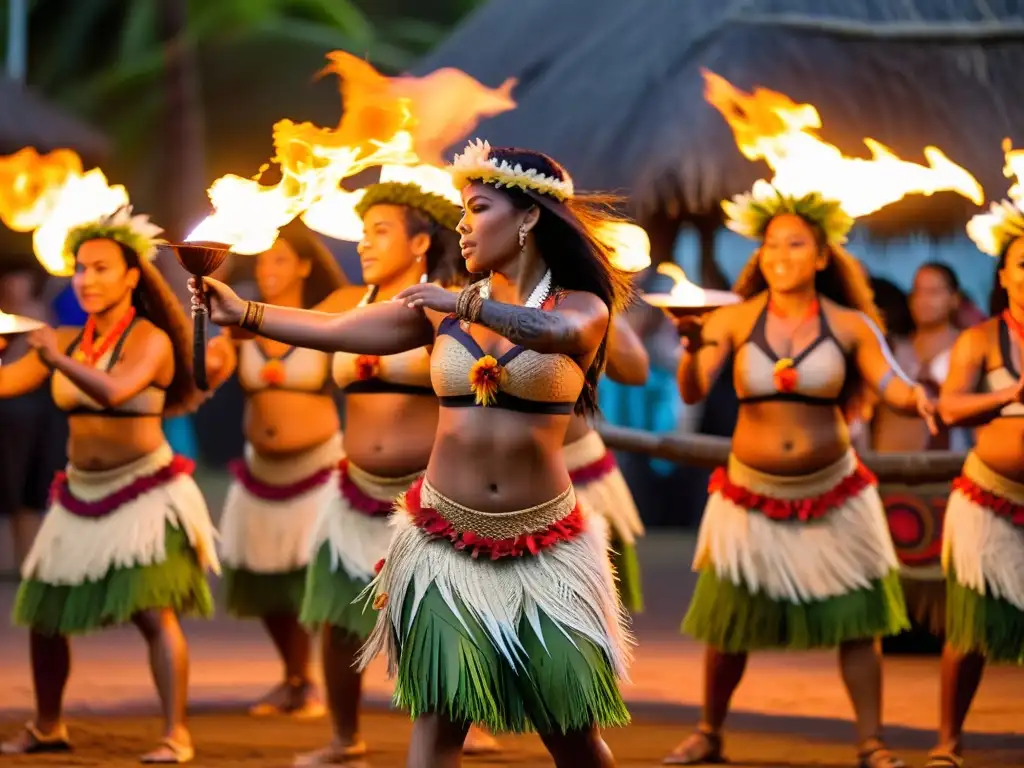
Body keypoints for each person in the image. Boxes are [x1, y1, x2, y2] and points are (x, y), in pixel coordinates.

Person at [192, 141, 635, 768]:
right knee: (438, 716)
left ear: (529, 217)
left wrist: (460, 301)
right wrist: (248, 314)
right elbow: (338, 329)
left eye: (477, 207)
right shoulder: (439, 318)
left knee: (572, 728)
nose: (462, 223)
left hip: (547, 546)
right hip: (442, 542)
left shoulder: (578, 307)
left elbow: (554, 334)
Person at [664, 183, 936, 768]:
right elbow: (693, 387)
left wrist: (921, 399)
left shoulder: (851, 324)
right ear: (758, 256)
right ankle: (709, 732)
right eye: (770, 245)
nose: (780, 255)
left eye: (795, 244)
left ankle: (871, 741)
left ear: (821, 256)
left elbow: (892, 384)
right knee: (728, 620)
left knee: (860, 620)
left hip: (833, 490)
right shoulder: (733, 319)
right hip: (751, 490)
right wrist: (689, 348)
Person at [261, 174, 479, 763]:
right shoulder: (341, 306)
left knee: (437, 621)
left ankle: (456, 725)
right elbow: (295, 336)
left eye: (379, 231)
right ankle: (343, 737)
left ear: (418, 243)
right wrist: (242, 317)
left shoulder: (448, 304)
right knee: (338, 617)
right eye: (362, 232)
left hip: (427, 494)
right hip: (353, 488)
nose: (364, 243)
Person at [0, 206, 218, 763]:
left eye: (100, 268)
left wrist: (52, 356)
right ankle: (48, 725)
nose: (87, 279)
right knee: (45, 614)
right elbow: (9, 383)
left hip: (144, 491)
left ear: (130, 276)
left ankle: (176, 734)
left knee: (152, 612)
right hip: (78, 492)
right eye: (80, 268)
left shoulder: (150, 341)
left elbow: (116, 391)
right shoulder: (70, 339)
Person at [202, 220, 347, 717]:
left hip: (319, 469)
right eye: (262, 260)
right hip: (260, 473)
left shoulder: (329, 318)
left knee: (323, 581)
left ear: (305, 265)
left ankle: (332, 683)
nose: (268, 269)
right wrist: (211, 354)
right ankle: (295, 678)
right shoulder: (240, 327)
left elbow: (360, 297)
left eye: (280, 258)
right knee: (266, 582)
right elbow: (209, 370)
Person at [926, 198, 1024, 767]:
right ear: (1004, 274)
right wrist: (1009, 396)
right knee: (970, 628)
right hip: (989, 499)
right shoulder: (981, 339)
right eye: (1022, 263)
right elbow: (951, 405)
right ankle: (949, 741)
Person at [564, 314, 649, 612]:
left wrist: (599, 302)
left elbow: (636, 371)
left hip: (580, 475)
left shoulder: (581, 300)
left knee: (587, 614)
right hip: (485, 480)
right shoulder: (457, 299)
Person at [0, 265, 66, 575]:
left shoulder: (39, 315)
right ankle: (16, 559)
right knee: (10, 485)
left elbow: (47, 361)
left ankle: (32, 561)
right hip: (7, 415)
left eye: (21, 283)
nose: (16, 289)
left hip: (40, 412)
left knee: (35, 485)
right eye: (11, 283)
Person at [871, 262, 970, 454]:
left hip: (952, 462)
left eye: (933, 292)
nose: (923, 300)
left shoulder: (970, 346)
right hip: (890, 461)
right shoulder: (890, 349)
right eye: (917, 291)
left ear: (954, 299)